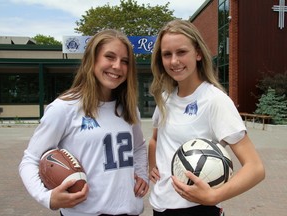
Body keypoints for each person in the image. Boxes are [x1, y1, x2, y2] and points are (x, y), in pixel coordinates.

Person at [19, 29, 149, 216]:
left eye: (125, 61)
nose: (117, 66)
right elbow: (30, 160)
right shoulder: (65, 107)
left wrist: (142, 174)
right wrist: (46, 197)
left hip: (130, 211)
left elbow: (138, 147)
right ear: (92, 59)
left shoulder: (128, 108)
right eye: (109, 57)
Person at [148, 19, 265, 216]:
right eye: (167, 54)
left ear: (198, 53)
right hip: (160, 206)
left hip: (197, 209)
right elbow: (155, 140)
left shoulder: (215, 100)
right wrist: (152, 165)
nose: (174, 61)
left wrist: (213, 196)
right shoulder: (165, 97)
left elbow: (255, 168)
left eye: (181, 52)